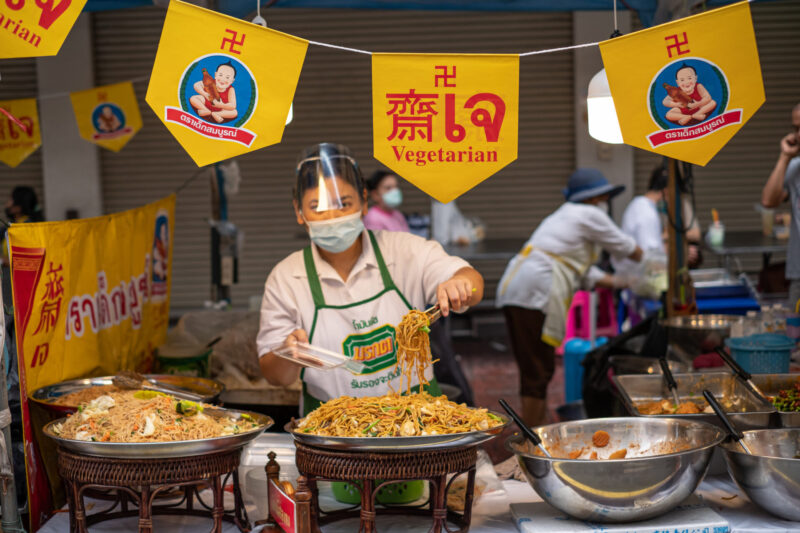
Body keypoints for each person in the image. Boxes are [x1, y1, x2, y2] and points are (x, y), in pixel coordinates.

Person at [256, 143, 484, 414]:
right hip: (332, 434)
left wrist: (460, 285)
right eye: (317, 207)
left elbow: (471, 280)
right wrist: (288, 352)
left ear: (364, 202)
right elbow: (275, 376)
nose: (332, 217)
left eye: (344, 204)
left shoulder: (403, 249)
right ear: (299, 211)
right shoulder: (285, 278)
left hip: (419, 422)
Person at [496, 169, 643, 427]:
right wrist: (658, 260)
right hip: (532, 293)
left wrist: (623, 282)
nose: (606, 202)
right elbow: (627, 248)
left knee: (536, 368)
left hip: (522, 289)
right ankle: (531, 437)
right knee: (537, 371)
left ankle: (536, 426)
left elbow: (585, 272)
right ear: (593, 198)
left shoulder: (567, 216)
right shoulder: (588, 214)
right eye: (604, 196)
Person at [615, 165, 701, 273]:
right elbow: (651, 255)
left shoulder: (641, 205)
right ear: (666, 192)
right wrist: (681, 253)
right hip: (640, 278)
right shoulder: (646, 212)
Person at [761, 103, 800, 310]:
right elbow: (769, 201)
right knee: (795, 337)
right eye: (796, 128)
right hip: (798, 274)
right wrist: (785, 157)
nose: (798, 134)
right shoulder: (795, 167)